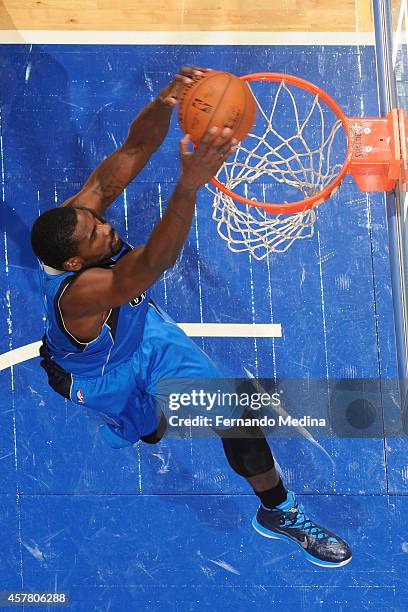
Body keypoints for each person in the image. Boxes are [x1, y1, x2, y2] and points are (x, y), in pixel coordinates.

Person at [30, 66, 352, 568]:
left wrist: (164, 102)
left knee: (236, 418)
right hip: (100, 373)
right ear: (74, 262)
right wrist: (189, 184)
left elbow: (131, 153)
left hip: (147, 340)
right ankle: (143, 418)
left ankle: (278, 511)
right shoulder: (81, 292)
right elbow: (152, 264)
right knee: (151, 429)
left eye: (98, 219)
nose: (106, 227)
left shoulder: (73, 226)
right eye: (97, 234)